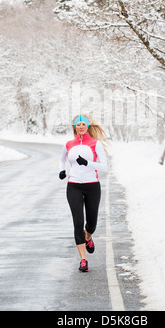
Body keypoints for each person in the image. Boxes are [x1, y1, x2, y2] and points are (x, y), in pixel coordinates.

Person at [59, 114, 108, 273]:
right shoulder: (68, 144)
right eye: (77, 124)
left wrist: (88, 163)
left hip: (92, 186)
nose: (80, 126)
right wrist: (62, 170)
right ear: (74, 127)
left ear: (87, 126)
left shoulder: (96, 144)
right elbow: (62, 160)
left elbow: (104, 167)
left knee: (91, 223)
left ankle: (88, 237)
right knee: (78, 222)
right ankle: (83, 260)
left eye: (83, 124)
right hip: (73, 186)